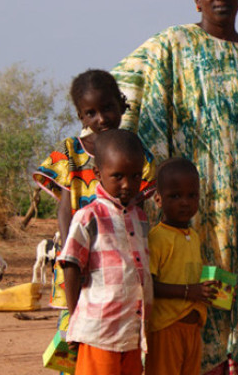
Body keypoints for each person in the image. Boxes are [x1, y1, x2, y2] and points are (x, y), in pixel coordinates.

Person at [111, 0, 238, 372]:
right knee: (192, 306)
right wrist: (109, 152)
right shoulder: (171, 45)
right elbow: (115, 89)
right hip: (190, 212)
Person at [32, 69, 157, 362]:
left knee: (117, 335)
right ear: (81, 117)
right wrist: (70, 252)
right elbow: (65, 208)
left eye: (108, 108)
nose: (101, 119)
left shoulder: (132, 149)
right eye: (91, 113)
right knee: (75, 334)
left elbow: (145, 195)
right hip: (79, 254)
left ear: (121, 105)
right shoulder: (72, 152)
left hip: (117, 261)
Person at [57, 129, 155, 375]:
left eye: (135, 176)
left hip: (132, 333)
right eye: (118, 176)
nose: (127, 184)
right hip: (98, 332)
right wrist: (74, 320)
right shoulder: (88, 217)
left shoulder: (140, 218)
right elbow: (71, 267)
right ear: (98, 173)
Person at [146, 157, 218, 375]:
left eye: (192, 195)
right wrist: (189, 292)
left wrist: (208, 290)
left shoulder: (193, 237)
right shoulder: (157, 238)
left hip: (192, 329)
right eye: (175, 196)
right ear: (158, 199)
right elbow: (148, 285)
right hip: (166, 328)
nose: (185, 202)